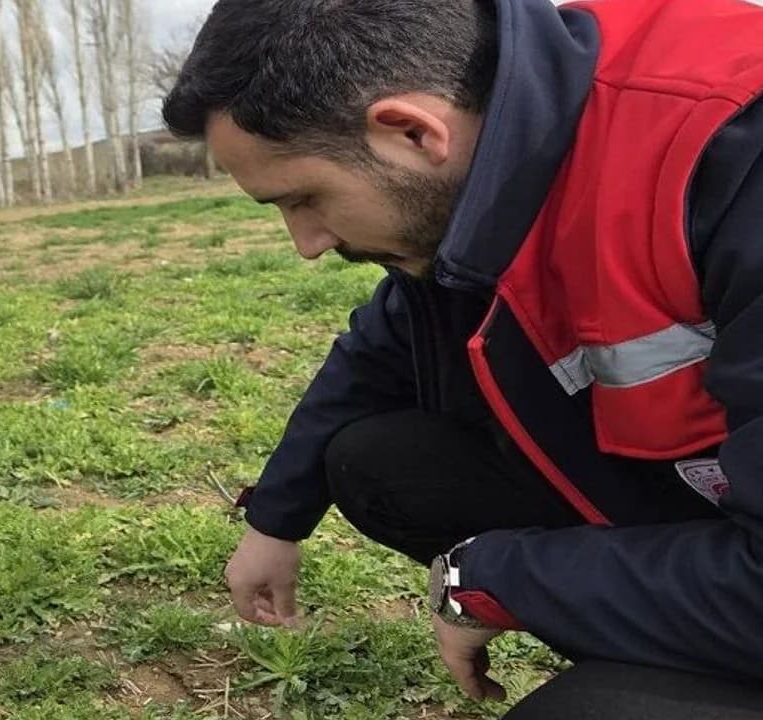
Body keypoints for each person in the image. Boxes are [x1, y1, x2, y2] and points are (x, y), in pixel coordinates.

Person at [163, 0, 763, 716]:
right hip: (719, 516)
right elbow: (377, 349)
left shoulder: (731, 155)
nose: (307, 243)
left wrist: (497, 578)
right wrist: (275, 520)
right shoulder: (507, 146)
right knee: (382, 463)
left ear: (413, 131)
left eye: (304, 199)